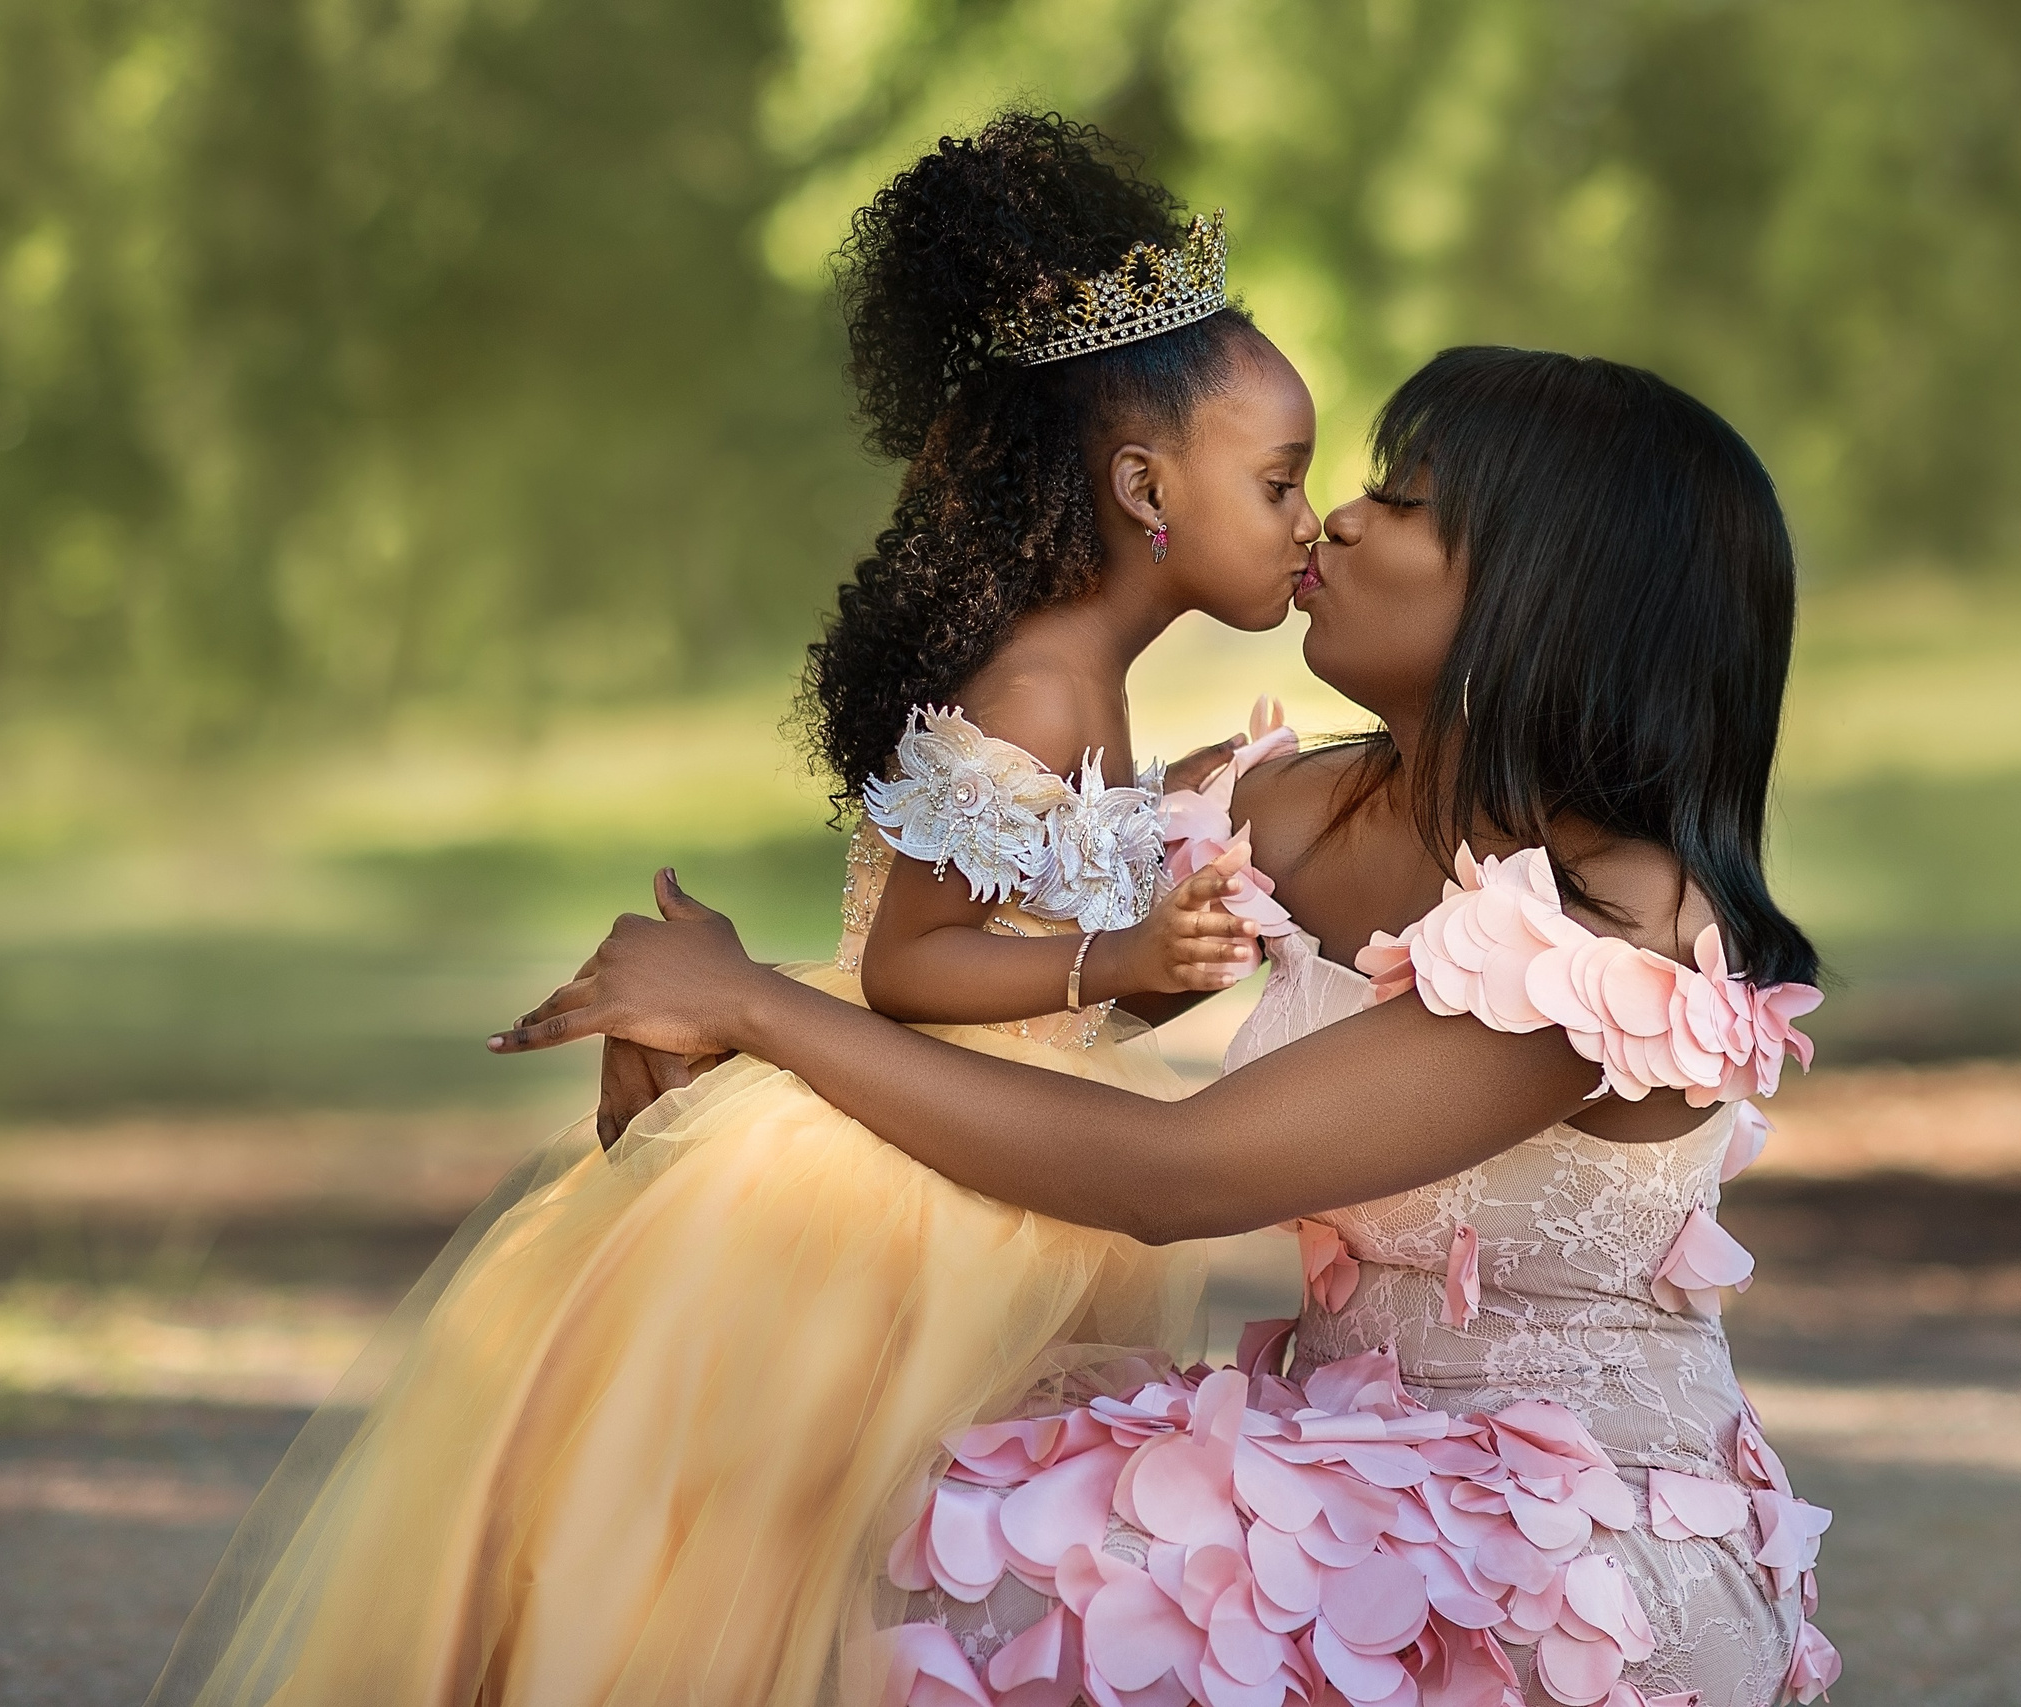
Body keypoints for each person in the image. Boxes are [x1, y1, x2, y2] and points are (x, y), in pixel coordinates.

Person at [150, 113, 1319, 1707]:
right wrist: (1125, 949)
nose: (1309, 521)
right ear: (1143, 486)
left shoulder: (1097, 679)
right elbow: (913, 965)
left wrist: (1168, 948)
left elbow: (1044, 970)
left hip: (1008, 1139)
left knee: (922, 1548)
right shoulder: (1039, 687)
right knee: (787, 1541)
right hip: (901, 1193)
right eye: (1282, 481)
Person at [509, 348, 1845, 1706]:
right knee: (864, 1477)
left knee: (979, 1563)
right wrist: (710, 1028)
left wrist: (759, 1007)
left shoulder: (1611, 939)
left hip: (1571, 1555)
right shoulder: (1308, 810)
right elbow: (1013, 995)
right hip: (1352, 1465)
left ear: (1555, 594)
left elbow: (1173, 1177)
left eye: (1408, 499)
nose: (1340, 519)